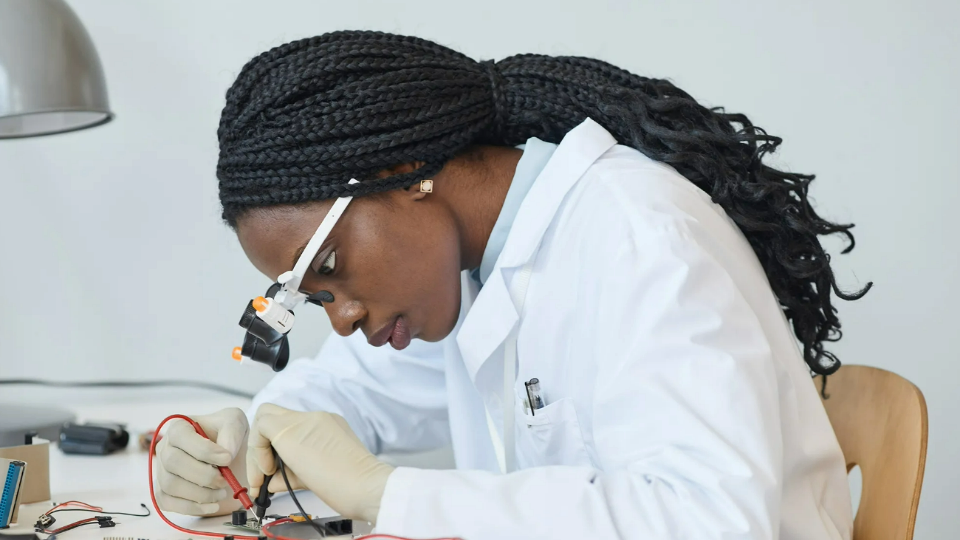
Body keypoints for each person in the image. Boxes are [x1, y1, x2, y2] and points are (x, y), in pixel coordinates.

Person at [155, 31, 870, 539]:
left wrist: (391, 494)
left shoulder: (640, 240)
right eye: (311, 299)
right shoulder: (465, 270)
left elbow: (708, 523)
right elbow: (342, 394)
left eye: (331, 270)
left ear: (400, 174)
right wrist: (258, 430)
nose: (339, 319)